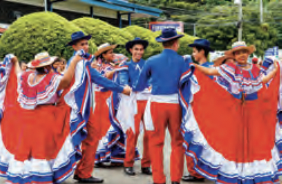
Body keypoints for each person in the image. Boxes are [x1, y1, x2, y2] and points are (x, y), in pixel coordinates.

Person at [180, 41, 280, 184]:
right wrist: (195, 66)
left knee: (255, 143)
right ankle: (238, 174)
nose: (241, 55)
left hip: (254, 111)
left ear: (248, 53)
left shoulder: (255, 69)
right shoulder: (229, 68)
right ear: (234, 55)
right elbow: (210, 72)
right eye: (238, 53)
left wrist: (274, 73)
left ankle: (254, 174)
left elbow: (261, 81)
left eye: (244, 52)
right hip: (236, 110)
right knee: (235, 143)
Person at [0, 51, 84, 183]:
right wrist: (74, 62)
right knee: (42, 147)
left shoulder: (25, 77)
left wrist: (15, 62)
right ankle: (39, 176)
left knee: (26, 147)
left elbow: (17, 74)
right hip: (46, 116)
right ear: (48, 65)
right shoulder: (52, 79)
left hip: (26, 117)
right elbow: (67, 81)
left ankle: (22, 175)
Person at [67, 31, 131, 183]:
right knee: (88, 137)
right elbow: (98, 79)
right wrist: (122, 89)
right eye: (82, 44)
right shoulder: (80, 62)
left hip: (85, 104)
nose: (86, 47)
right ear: (74, 47)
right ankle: (82, 173)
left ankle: (82, 171)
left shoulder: (82, 62)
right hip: (81, 106)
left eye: (86, 43)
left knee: (89, 137)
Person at [133, 28, 191, 184]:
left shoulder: (151, 60)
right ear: (176, 43)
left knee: (156, 142)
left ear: (163, 43)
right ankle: (176, 179)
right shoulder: (183, 61)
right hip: (176, 105)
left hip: (157, 104)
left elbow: (139, 85)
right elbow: (187, 85)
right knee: (177, 142)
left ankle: (159, 179)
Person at [92, 43, 134, 167]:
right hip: (102, 99)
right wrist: (116, 70)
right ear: (103, 55)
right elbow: (103, 79)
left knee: (114, 125)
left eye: (112, 52)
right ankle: (99, 156)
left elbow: (123, 62)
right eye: (110, 52)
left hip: (111, 97)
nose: (112, 54)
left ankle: (113, 154)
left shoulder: (111, 65)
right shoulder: (96, 66)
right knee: (104, 128)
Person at [118, 37, 152, 176]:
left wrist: (150, 85)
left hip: (148, 100)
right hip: (133, 101)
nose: (139, 52)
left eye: (141, 49)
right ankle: (128, 163)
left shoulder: (148, 64)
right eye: (136, 49)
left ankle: (146, 164)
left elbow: (152, 79)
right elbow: (123, 80)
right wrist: (125, 85)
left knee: (149, 133)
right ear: (131, 50)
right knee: (133, 133)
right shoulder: (125, 65)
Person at [182, 38, 214, 182]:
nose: (193, 54)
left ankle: (197, 172)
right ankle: (198, 171)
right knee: (198, 140)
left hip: (202, 109)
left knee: (195, 139)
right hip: (197, 108)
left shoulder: (207, 69)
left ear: (202, 52)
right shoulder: (208, 68)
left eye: (194, 51)